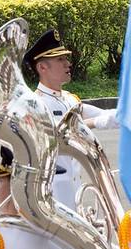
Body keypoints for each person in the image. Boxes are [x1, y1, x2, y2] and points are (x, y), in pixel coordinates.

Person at [23, 28, 119, 210]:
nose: (68, 64)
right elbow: (61, 135)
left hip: (76, 191)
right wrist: (94, 124)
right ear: (42, 67)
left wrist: (123, 115)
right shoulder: (35, 105)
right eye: (60, 60)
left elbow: (105, 116)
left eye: (66, 58)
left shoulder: (69, 99)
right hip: (51, 195)